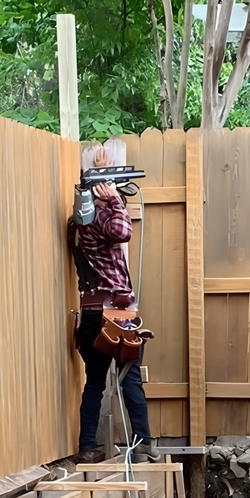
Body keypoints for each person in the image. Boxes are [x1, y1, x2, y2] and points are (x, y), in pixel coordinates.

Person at [67, 170, 152, 464]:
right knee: (130, 378)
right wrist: (115, 201)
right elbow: (123, 232)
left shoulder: (79, 223)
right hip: (115, 314)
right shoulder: (103, 219)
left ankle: (87, 448)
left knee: (94, 382)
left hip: (91, 313)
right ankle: (142, 445)